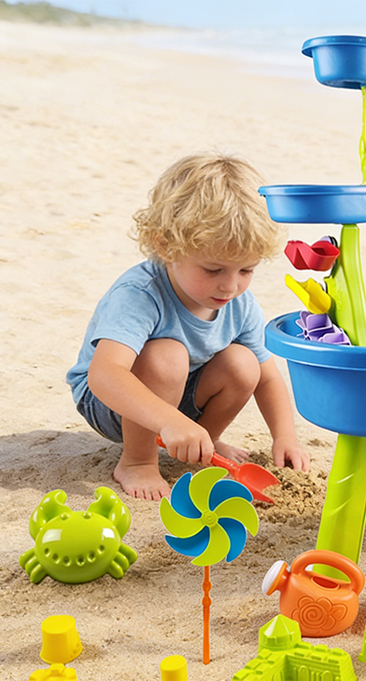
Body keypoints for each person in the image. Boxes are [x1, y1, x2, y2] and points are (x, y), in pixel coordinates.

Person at [67, 153, 310, 500]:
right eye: (214, 270)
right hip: (113, 405)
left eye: (246, 270)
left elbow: (267, 376)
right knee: (167, 355)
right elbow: (104, 375)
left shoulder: (238, 302)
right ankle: (137, 461)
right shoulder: (141, 293)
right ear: (167, 246)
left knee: (243, 365)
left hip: (181, 398)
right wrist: (167, 420)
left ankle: (200, 445)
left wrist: (284, 436)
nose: (230, 286)